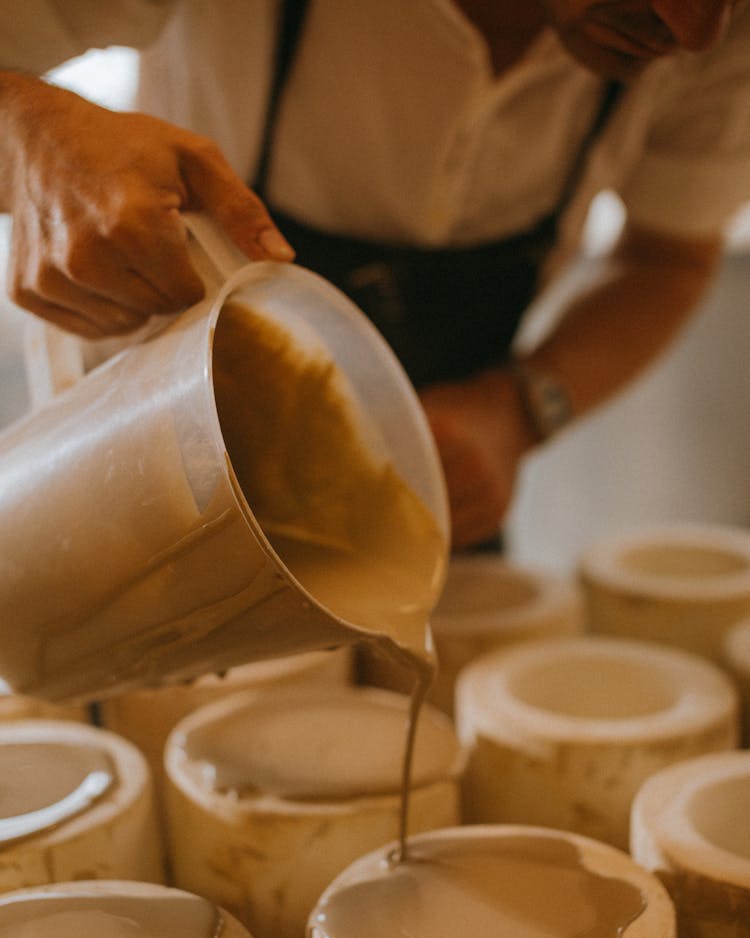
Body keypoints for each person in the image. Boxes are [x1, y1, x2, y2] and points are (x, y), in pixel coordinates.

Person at [1, 1, 749, 549]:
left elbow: (670, 256)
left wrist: (517, 408)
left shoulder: (718, 37)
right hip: (141, 489)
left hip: (416, 512)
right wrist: (28, 139)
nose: (694, 33)